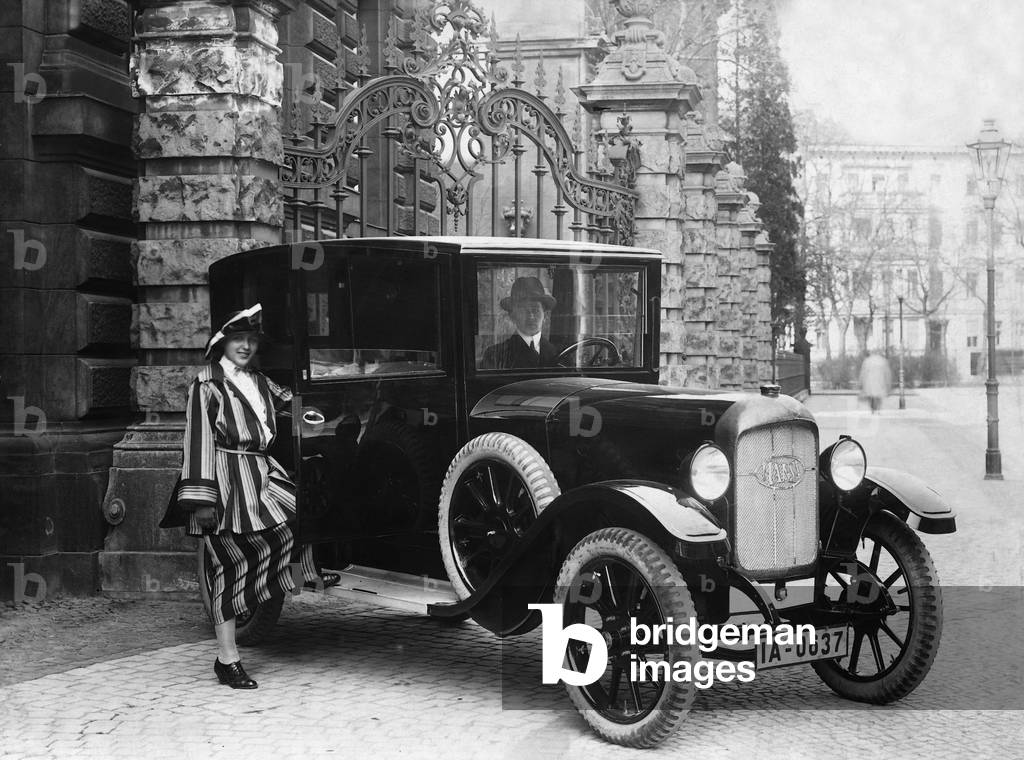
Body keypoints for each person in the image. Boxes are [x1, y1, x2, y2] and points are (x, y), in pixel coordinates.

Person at [163, 304, 335, 689]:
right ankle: (227, 659)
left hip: (259, 473)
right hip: (223, 479)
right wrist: (202, 500)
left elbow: (294, 402)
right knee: (226, 563)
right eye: (239, 339)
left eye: (251, 340)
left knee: (298, 524)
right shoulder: (206, 383)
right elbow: (197, 440)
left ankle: (284, 582)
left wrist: (336, 394)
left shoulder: (258, 381)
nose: (245, 346)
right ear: (222, 341)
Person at [480, 276, 561, 369]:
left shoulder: (557, 353)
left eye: (535, 310)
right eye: (523, 310)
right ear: (512, 316)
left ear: (545, 315)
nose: (531, 316)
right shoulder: (495, 355)